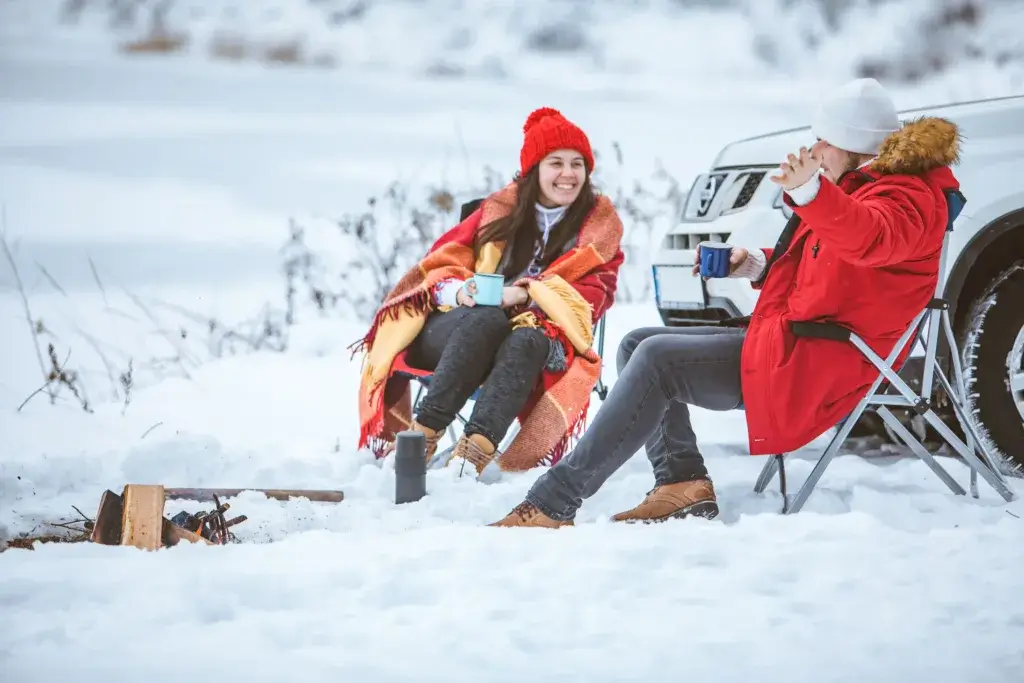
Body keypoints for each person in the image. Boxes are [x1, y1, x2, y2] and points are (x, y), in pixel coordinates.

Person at [491, 77, 964, 527]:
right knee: (639, 343)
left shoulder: (908, 198)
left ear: (851, 144)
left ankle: (553, 502)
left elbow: (868, 238)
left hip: (827, 360)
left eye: (823, 140)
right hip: (802, 341)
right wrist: (753, 264)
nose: (815, 150)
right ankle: (682, 483)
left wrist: (812, 194)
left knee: (657, 359)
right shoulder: (864, 191)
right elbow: (833, 261)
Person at [353, 107, 625, 478]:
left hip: (539, 341)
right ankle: (421, 438)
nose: (568, 174)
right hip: (460, 330)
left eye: (578, 164)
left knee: (525, 340)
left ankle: (471, 457)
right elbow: (436, 271)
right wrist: (464, 291)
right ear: (534, 169)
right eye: (556, 163)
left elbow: (595, 295)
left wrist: (529, 295)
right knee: (486, 318)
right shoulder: (494, 213)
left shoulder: (600, 231)